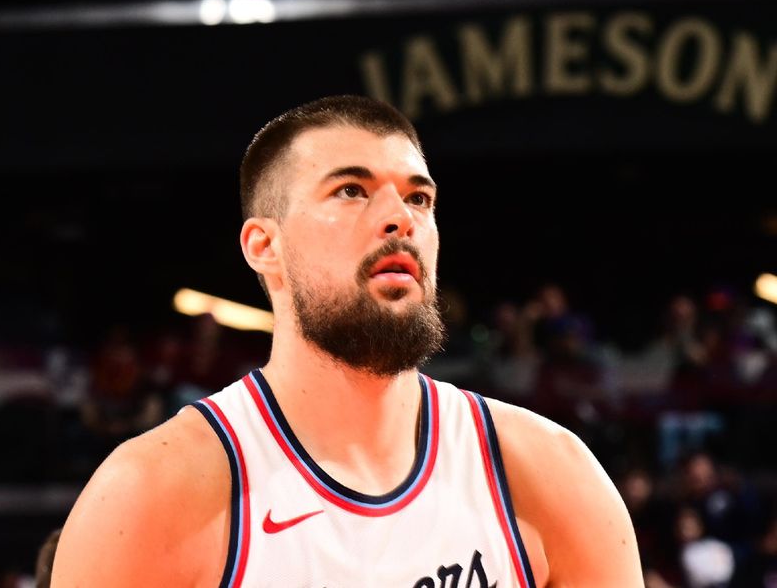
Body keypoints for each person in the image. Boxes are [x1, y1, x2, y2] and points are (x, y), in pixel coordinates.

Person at [51, 95, 643, 586]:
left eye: (419, 198)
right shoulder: (150, 495)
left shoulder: (548, 475)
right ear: (265, 246)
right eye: (352, 190)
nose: (400, 218)